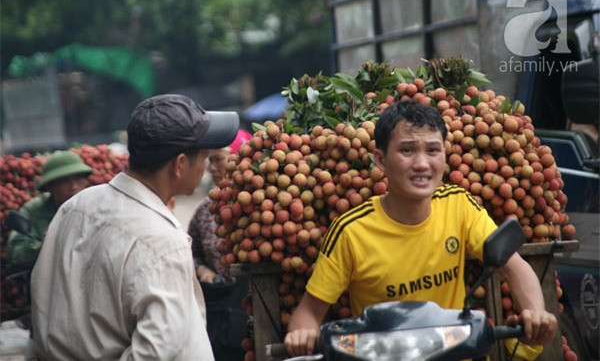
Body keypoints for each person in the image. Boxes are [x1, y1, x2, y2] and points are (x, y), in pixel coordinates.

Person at [284, 100, 558, 356]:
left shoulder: (458, 204)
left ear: (444, 154)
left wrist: (535, 312)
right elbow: (308, 312)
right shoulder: (350, 232)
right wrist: (302, 335)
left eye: (432, 150)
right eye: (407, 150)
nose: (422, 164)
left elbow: (513, 266)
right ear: (380, 160)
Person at [30, 93, 239, 361]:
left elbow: (42, 302)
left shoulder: (76, 206)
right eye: (205, 157)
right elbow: (156, 352)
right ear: (180, 165)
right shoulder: (162, 242)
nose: (207, 168)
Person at [6, 149, 93, 361]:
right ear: (50, 187)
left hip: (92, 297)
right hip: (50, 299)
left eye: (78, 179)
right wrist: (49, 242)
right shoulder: (34, 212)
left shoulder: (97, 205)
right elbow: (17, 253)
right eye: (64, 181)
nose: (74, 186)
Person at [187, 129, 253, 361]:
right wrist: (201, 269)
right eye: (209, 160)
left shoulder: (262, 203)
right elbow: (191, 253)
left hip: (259, 307)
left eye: (217, 159)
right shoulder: (207, 209)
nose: (211, 168)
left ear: (241, 158)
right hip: (220, 309)